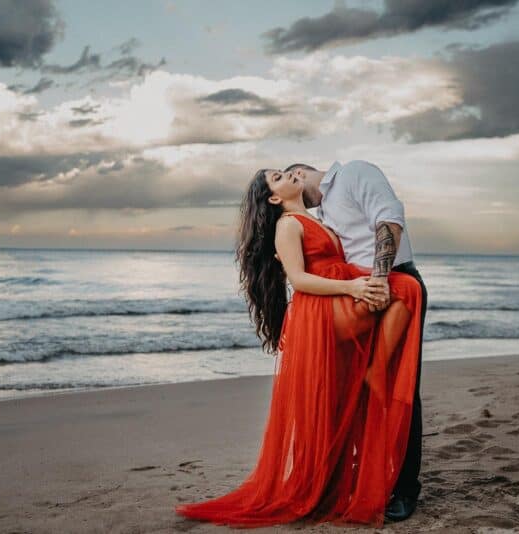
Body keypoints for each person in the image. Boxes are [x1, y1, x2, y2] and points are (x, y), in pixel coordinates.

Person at [174, 168, 423, 528]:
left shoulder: (319, 219)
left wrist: (361, 280)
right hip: (320, 309)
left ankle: (373, 370)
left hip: (339, 294)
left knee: (406, 291)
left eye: (287, 172)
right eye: (278, 177)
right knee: (407, 290)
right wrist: (355, 288)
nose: (287, 175)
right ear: (274, 198)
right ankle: (373, 372)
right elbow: (299, 279)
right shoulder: (287, 226)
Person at [284, 160, 427, 522]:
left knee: (399, 388)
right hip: (359, 297)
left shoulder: (354, 173)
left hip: (393, 285)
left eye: (288, 178)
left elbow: (390, 219)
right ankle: (363, 479)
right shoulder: (323, 213)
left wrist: (379, 279)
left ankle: (406, 490)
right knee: (357, 391)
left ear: (298, 175)